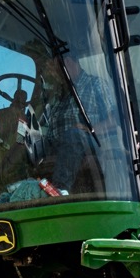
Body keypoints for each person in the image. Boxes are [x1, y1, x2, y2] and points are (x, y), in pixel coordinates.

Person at [41, 54, 108, 195]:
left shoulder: (95, 84)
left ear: (68, 62)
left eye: (56, 70)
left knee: (74, 134)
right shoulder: (58, 95)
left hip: (87, 146)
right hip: (58, 149)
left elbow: (116, 120)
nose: (55, 75)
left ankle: (58, 190)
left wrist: (91, 129)